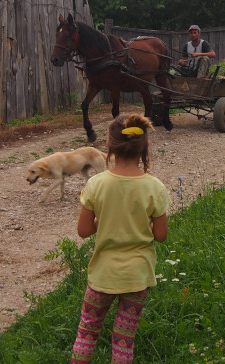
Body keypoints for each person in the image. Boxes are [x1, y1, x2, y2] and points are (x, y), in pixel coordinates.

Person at [71, 114, 170, 364]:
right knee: (124, 338)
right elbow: (161, 236)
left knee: (87, 332)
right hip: (137, 276)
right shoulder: (154, 187)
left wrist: (104, 219)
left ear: (109, 145)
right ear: (146, 145)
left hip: (103, 274)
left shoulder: (96, 184)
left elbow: (84, 231)